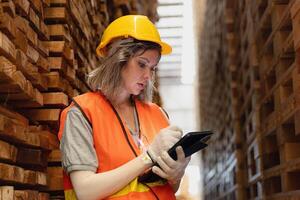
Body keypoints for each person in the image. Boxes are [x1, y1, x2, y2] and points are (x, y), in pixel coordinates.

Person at [58, 15, 191, 200]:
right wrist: (149, 157)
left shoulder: (157, 114)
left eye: (152, 68)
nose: (148, 76)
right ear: (117, 59)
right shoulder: (82, 113)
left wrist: (177, 172)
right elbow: (85, 191)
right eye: (142, 64)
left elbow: (170, 188)